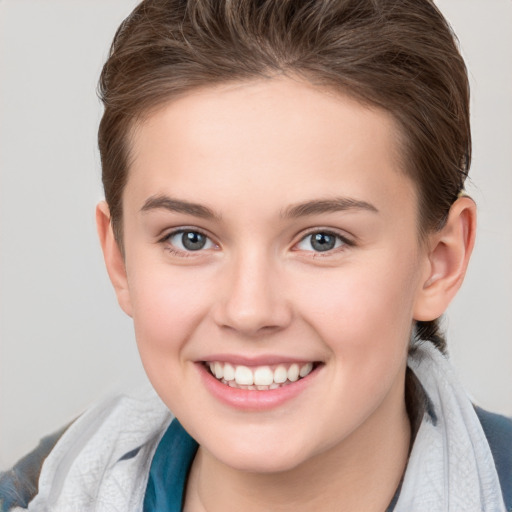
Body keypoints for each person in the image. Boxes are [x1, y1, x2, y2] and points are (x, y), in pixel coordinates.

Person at [1, 0, 511, 511]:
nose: (249, 311)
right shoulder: (39, 494)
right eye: (190, 238)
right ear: (120, 258)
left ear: (439, 262)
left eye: (322, 240)